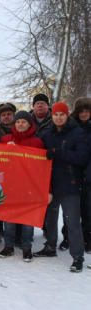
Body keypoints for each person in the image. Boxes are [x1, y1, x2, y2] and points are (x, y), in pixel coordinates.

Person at [33, 102, 88, 272]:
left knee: (72, 221)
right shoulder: (47, 133)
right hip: (51, 183)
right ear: (52, 115)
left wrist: (59, 152)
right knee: (50, 217)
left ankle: (77, 256)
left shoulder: (78, 133)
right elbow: (35, 150)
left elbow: (82, 157)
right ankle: (50, 246)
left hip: (71, 183)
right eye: (56, 114)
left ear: (67, 115)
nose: (58, 117)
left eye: (61, 115)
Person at [0, 111, 44, 262]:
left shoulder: (37, 142)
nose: (20, 124)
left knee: (27, 219)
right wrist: (6, 152)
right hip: (9, 185)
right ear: (14, 124)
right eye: (18, 122)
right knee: (9, 218)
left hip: (29, 186)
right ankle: (9, 246)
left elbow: (41, 166)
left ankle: (26, 247)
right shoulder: (5, 140)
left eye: (24, 122)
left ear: (30, 124)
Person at [65, 97, 91, 253]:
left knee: (88, 209)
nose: (84, 114)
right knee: (71, 211)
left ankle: (87, 238)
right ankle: (68, 237)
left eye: (87, 111)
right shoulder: (72, 127)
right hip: (73, 172)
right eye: (81, 111)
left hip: (88, 172)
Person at [0, 102, 17, 245]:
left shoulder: (20, 128)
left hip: (17, 173)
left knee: (14, 203)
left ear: (13, 115)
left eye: (9, 114)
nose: (6, 117)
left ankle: (15, 232)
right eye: (3, 115)